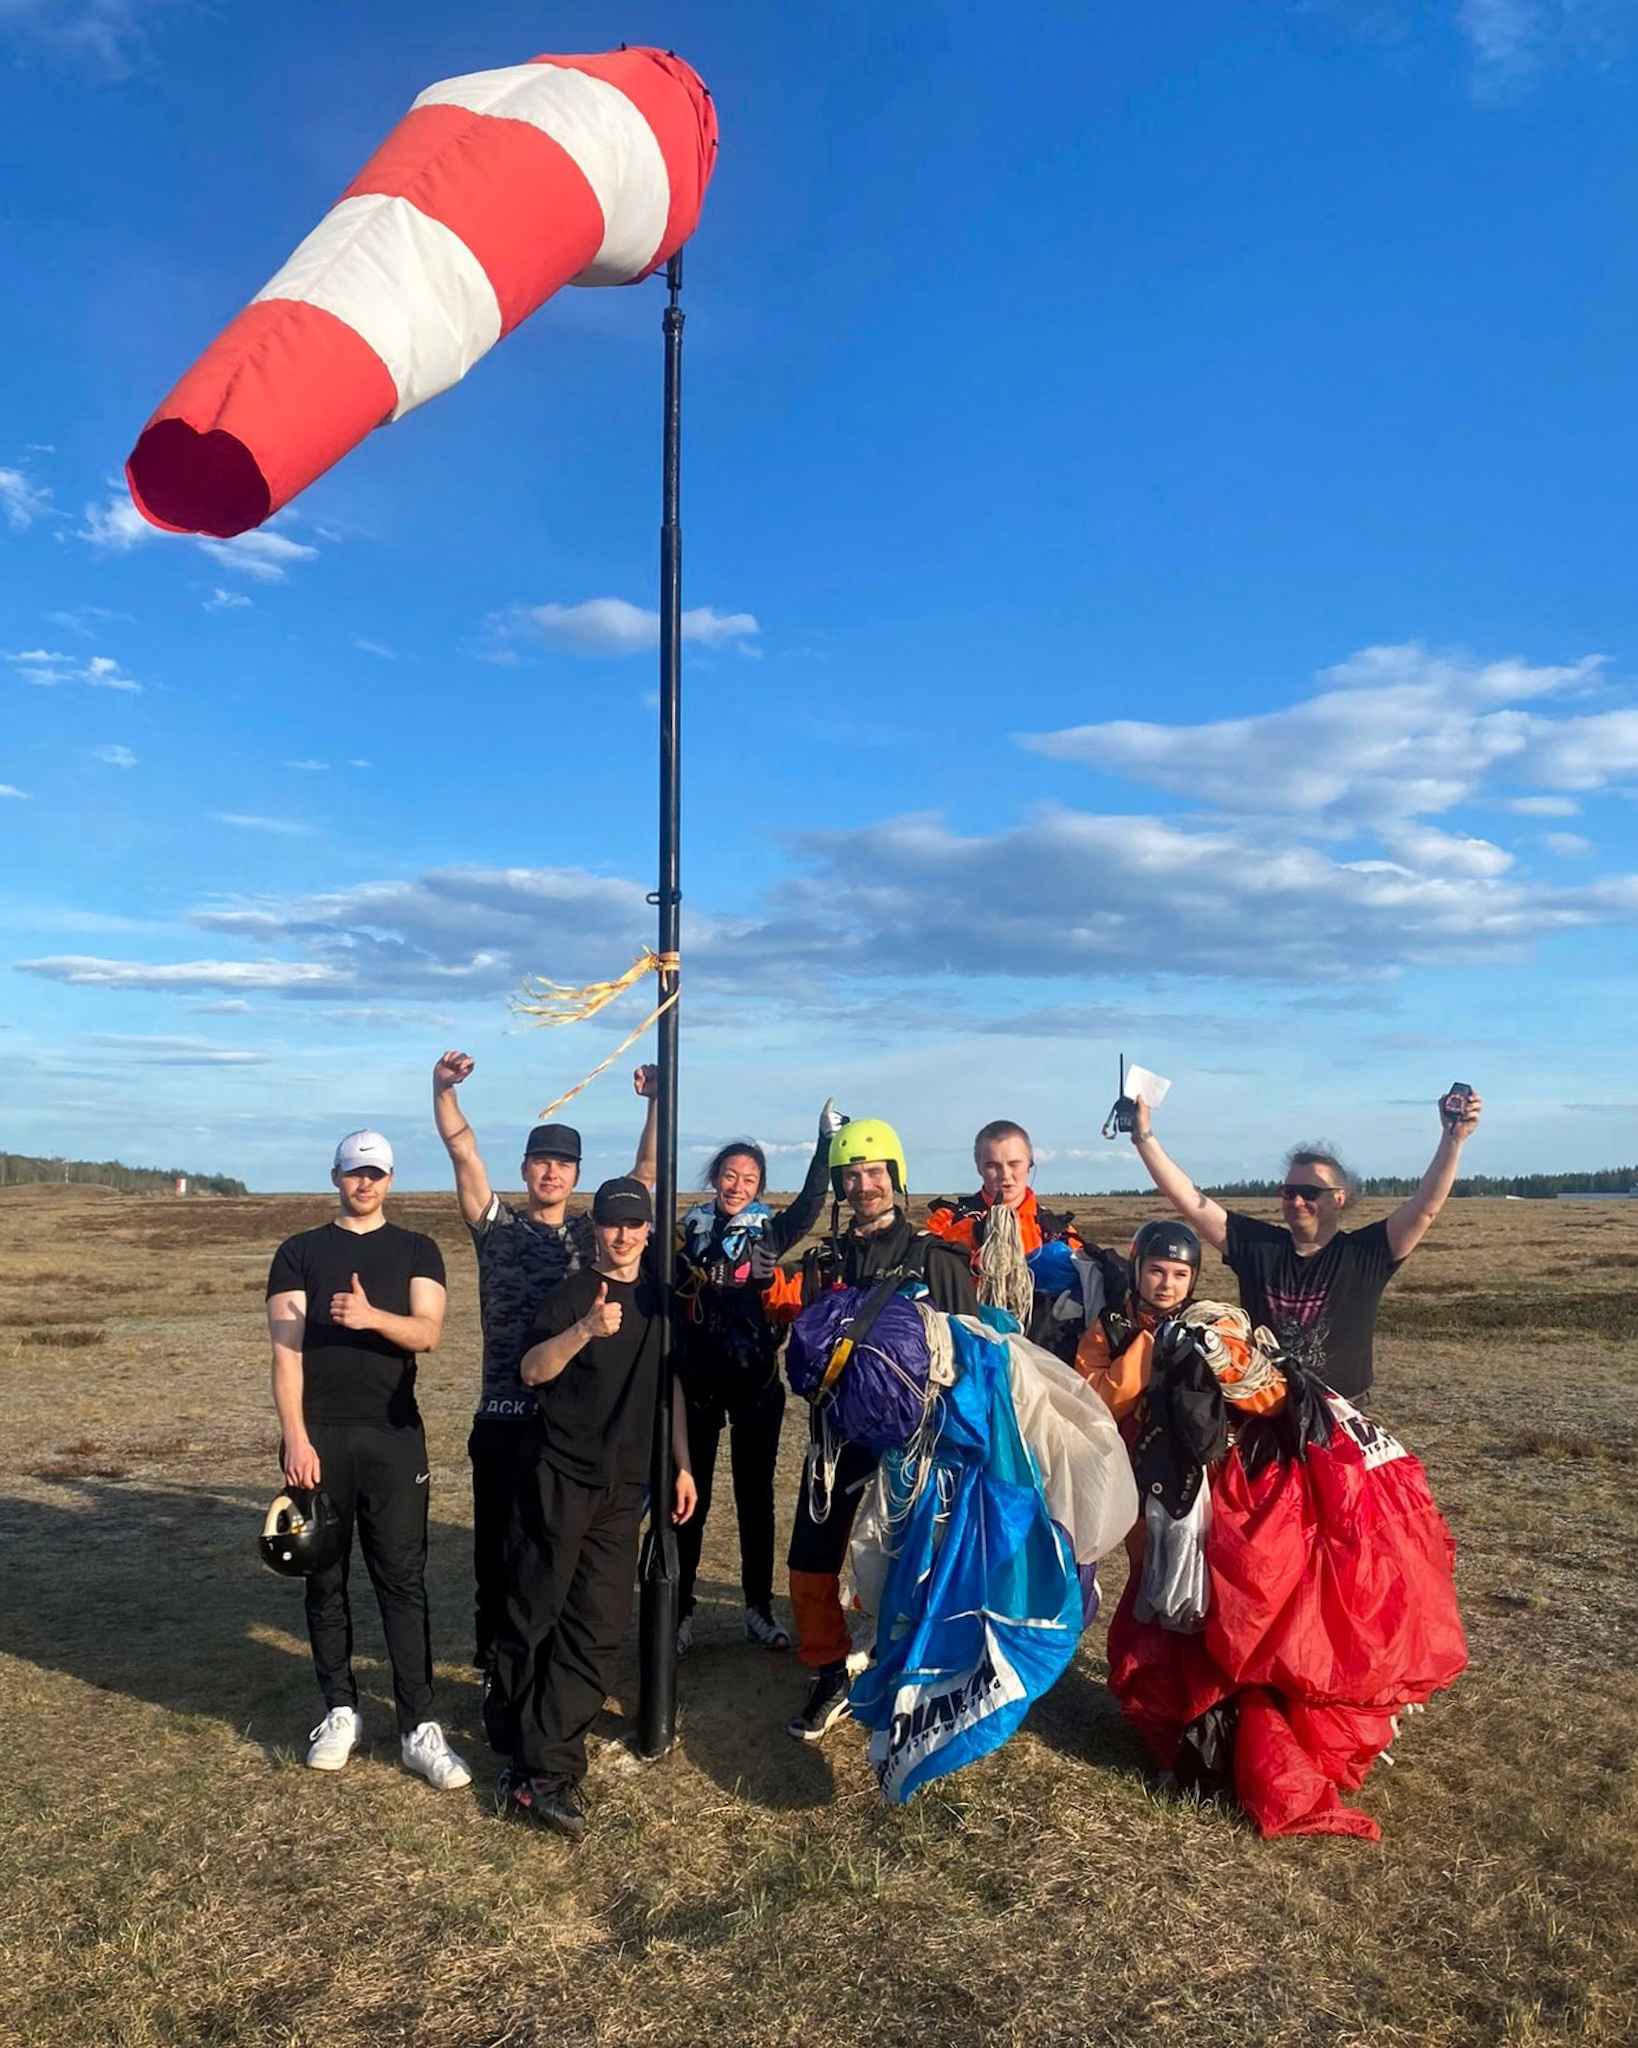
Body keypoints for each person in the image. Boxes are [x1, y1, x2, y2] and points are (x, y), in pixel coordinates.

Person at [431, 1051, 658, 1732]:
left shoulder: (597, 1233)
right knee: (500, 1558)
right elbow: (463, 1151)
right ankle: (499, 1683)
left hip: (574, 1430)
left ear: (577, 1176)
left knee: (560, 1564)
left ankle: (553, 1680)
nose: (551, 1171)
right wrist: (443, 1090)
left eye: (564, 1163)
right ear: (527, 1169)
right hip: (507, 1416)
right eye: (541, 1161)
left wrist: (652, 1102)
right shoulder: (496, 1228)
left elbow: (645, 1178)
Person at [265, 1129, 471, 1789]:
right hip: (319, 1437)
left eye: (376, 1173)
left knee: (402, 1580)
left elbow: (429, 1333)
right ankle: (340, 1711)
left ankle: (418, 1726)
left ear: (390, 1178)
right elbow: (286, 1352)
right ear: (336, 1176)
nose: (365, 1183)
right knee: (322, 1578)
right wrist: (296, 1438)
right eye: (355, 1173)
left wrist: (370, 1316)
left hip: (392, 1436)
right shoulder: (298, 1253)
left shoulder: (417, 1249)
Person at [493, 1176, 695, 1841]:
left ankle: (545, 1768)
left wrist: (682, 1464)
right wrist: (585, 1329)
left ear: (648, 1231)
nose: (625, 1235)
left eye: (636, 1225)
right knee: (535, 1613)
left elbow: (670, 1386)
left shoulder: (661, 1302)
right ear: (596, 1229)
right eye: (612, 1224)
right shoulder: (574, 1296)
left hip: (623, 1490)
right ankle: (525, 1756)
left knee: (600, 1628)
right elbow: (532, 1370)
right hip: (557, 1477)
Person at [776, 1117, 978, 1742]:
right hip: (836, 1438)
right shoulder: (824, 1262)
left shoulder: (937, 1260)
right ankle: (829, 1670)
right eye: (853, 1175)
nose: (865, 1185)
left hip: (916, 1445)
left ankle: (912, 1676)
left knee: (909, 1561)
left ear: (896, 1177)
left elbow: (970, 1353)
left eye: (874, 1172)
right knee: (811, 1557)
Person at [1129, 1087, 1486, 1401]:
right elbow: (1190, 1200)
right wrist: (1144, 1136)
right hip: (1266, 1410)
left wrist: (1453, 1140)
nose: (1296, 1201)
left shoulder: (1365, 1254)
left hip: (1341, 1417)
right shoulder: (1258, 1248)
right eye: (1289, 1191)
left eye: (1309, 1192)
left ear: (1340, 1198)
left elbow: (1425, 1208)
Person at [672, 1098, 844, 1659]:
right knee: (686, 1498)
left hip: (754, 1383)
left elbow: (812, 1203)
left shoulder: (770, 1231)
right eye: (729, 1174)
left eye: (748, 1178)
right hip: (695, 1383)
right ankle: (680, 1613)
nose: (737, 1185)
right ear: (715, 1177)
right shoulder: (687, 1230)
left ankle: (757, 1608)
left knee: (754, 1497)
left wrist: (824, 1143)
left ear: (758, 1185)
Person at [925, 1118, 1085, 1356]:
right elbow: (923, 1260)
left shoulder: (1057, 1233)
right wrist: (973, 1235)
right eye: (993, 1165)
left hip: (1040, 1354)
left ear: (1030, 1164)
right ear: (978, 1166)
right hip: (965, 1348)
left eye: (1014, 1164)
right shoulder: (949, 1220)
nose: (1005, 1175)